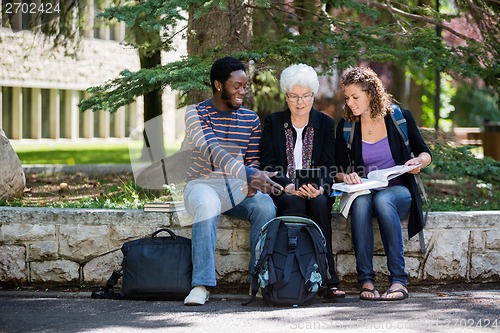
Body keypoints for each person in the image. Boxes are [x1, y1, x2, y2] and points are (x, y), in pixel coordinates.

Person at [183, 57, 283, 306]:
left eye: (245, 85)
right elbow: (213, 152)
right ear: (218, 85)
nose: (243, 91)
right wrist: (249, 175)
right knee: (207, 204)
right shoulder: (195, 113)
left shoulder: (251, 120)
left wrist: (251, 181)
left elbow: (253, 160)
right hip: (201, 184)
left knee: (265, 206)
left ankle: (258, 280)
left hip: (235, 188)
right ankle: (201, 284)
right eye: (237, 86)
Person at [334, 67, 432, 301]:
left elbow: (425, 153)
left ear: (371, 93)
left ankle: (399, 280)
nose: (350, 103)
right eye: (347, 98)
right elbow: (336, 169)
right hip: (364, 190)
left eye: (355, 97)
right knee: (362, 204)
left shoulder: (400, 118)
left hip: (398, 192)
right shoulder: (347, 126)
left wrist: (418, 161)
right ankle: (366, 281)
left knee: (383, 198)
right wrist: (345, 176)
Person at [259, 63, 346, 299]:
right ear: (286, 96)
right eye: (294, 96)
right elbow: (267, 163)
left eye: (306, 96)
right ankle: (296, 276)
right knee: (294, 204)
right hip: (284, 190)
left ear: (313, 95)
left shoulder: (325, 123)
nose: (300, 102)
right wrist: (287, 185)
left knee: (318, 205)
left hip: (317, 190)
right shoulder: (274, 122)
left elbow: (329, 165)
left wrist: (319, 187)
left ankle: (328, 277)